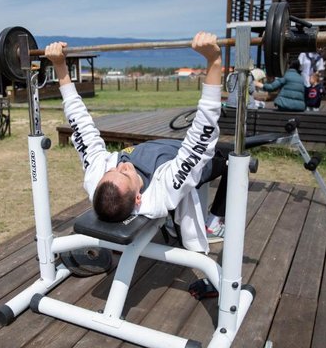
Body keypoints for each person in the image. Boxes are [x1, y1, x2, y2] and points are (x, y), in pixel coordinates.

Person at [45, 32, 228, 252]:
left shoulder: (98, 177)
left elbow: (80, 124)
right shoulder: (164, 188)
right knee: (232, 161)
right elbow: (201, 136)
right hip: (194, 160)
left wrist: (60, 66)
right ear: (138, 198)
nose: (121, 166)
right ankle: (215, 221)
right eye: (124, 174)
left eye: (111, 171)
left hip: (162, 148)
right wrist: (214, 62)